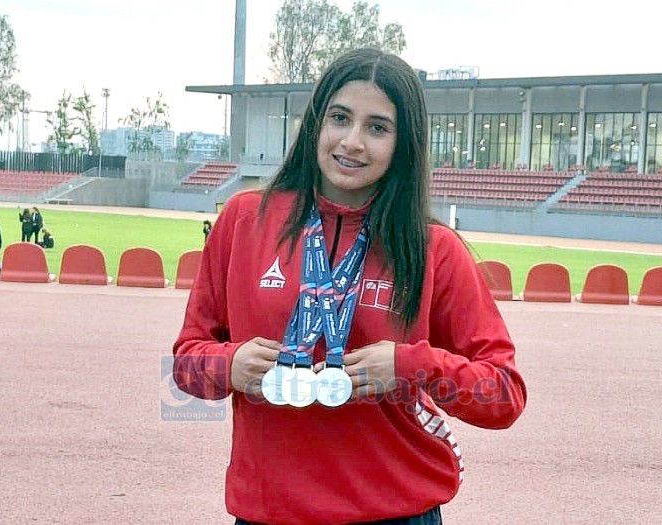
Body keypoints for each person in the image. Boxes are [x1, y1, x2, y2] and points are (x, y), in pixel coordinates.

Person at [172, 48, 526, 525]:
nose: (352, 142)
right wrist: (227, 365)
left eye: (377, 127)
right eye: (340, 118)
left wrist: (410, 366)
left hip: (397, 513)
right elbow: (184, 368)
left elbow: (503, 396)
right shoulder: (242, 221)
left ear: (404, 143)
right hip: (269, 514)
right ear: (317, 122)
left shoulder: (433, 249)